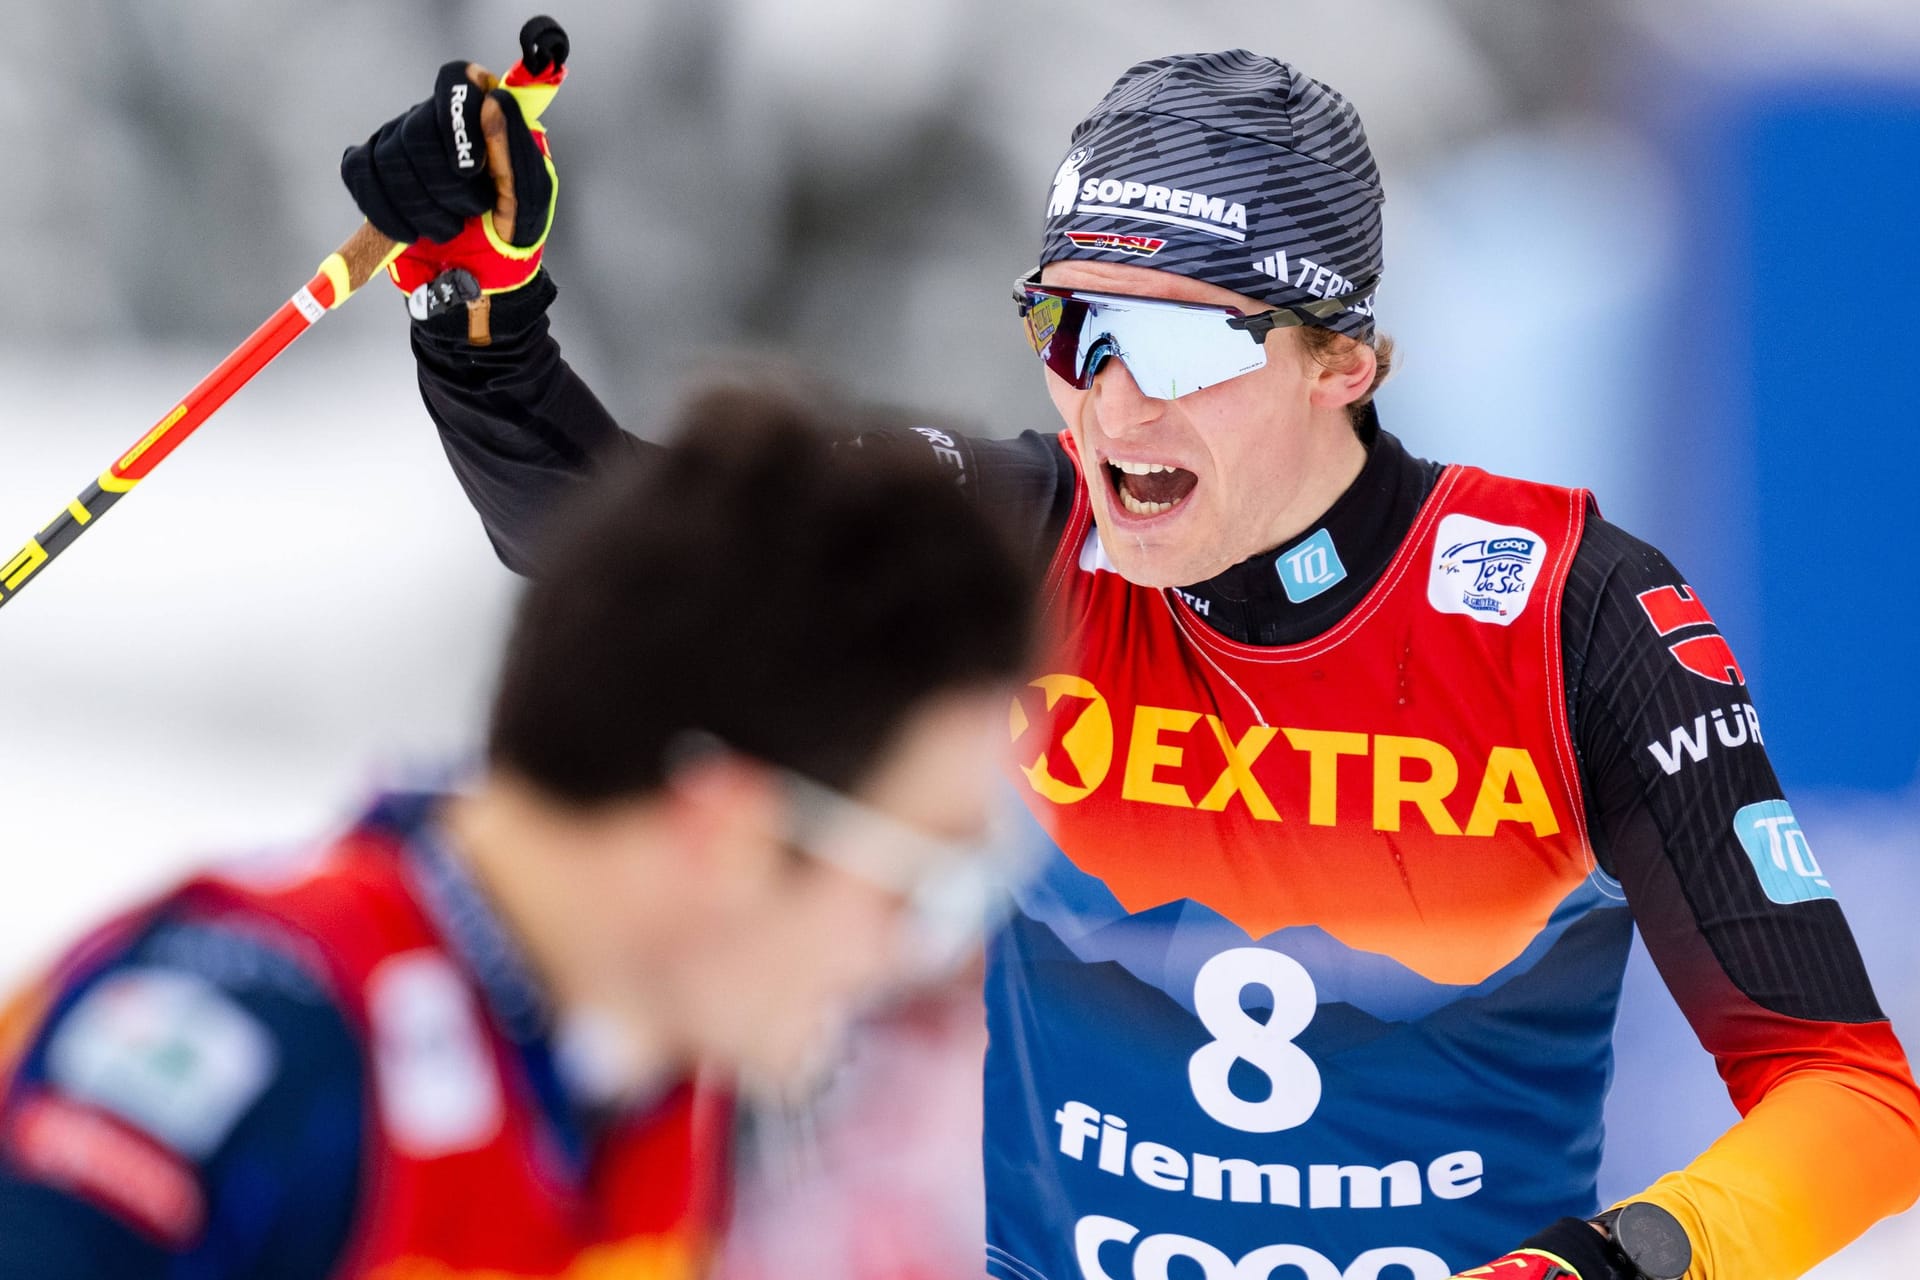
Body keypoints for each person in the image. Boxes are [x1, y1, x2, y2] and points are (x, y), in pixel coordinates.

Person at [336, 49, 1920, 1280]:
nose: (1114, 408)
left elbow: (1856, 1102)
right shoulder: (1016, 539)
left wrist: (1607, 1261)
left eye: (1179, 346)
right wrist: (482, 306)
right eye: (1076, 330)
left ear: (1342, 361)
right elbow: (604, 532)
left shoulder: (1565, 614)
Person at [0, 390, 1035, 1278]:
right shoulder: (249, 1038)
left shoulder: (657, 1077)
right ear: (729, 827)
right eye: (919, 882)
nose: (918, 954)